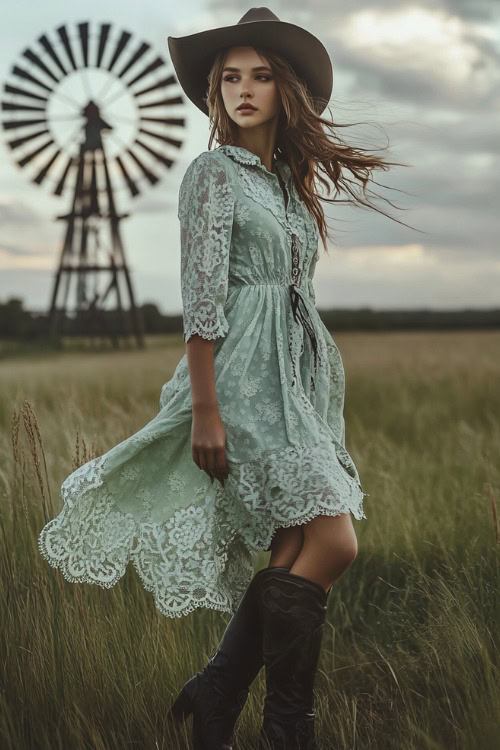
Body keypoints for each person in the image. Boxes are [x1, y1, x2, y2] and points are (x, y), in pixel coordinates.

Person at [39, 7, 411, 750]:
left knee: (292, 552)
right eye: (230, 78)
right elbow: (202, 297)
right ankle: (272, 717)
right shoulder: (211, 175)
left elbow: (295, 293)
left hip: (294, 383)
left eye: (261, 76)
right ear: (215, 94)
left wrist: (310, 385)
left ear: (286, 91)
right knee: (335, 545)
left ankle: (225, 701)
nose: (244, 90)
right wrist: (206, 409)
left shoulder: (285, 183)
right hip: (240, 382)